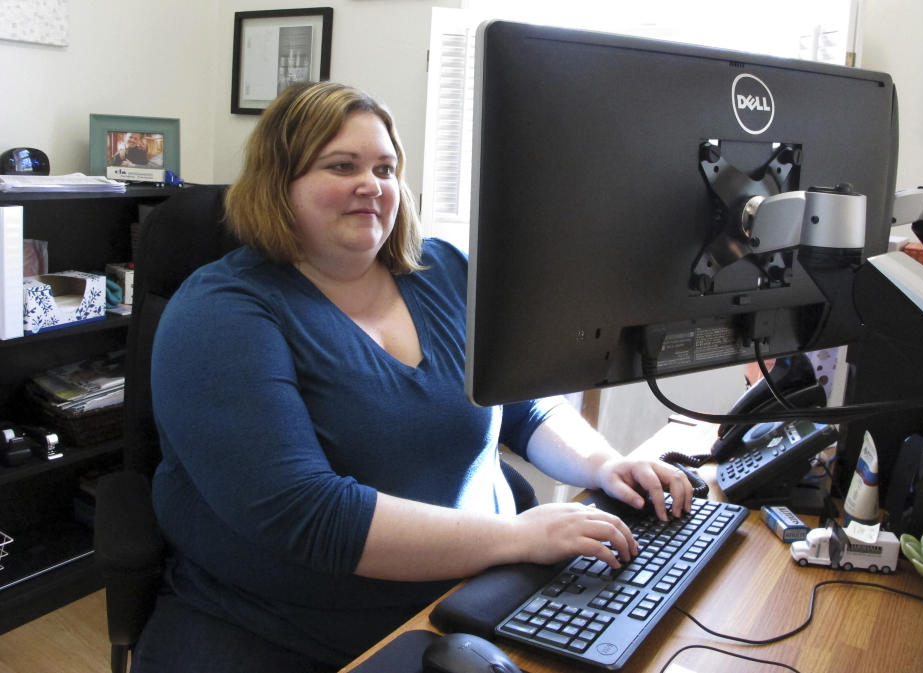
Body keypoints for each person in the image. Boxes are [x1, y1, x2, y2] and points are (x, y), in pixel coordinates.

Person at [130, 81, 693, 673]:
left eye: (385, 167)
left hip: (478, 591)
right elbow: (306, 515)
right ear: (279, 182)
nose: (371, 185)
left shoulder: (444, 271)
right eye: (341, 165)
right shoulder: (220, 313)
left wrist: (604, 464)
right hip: (299, 628)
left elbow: (524, 405)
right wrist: (519, 538)